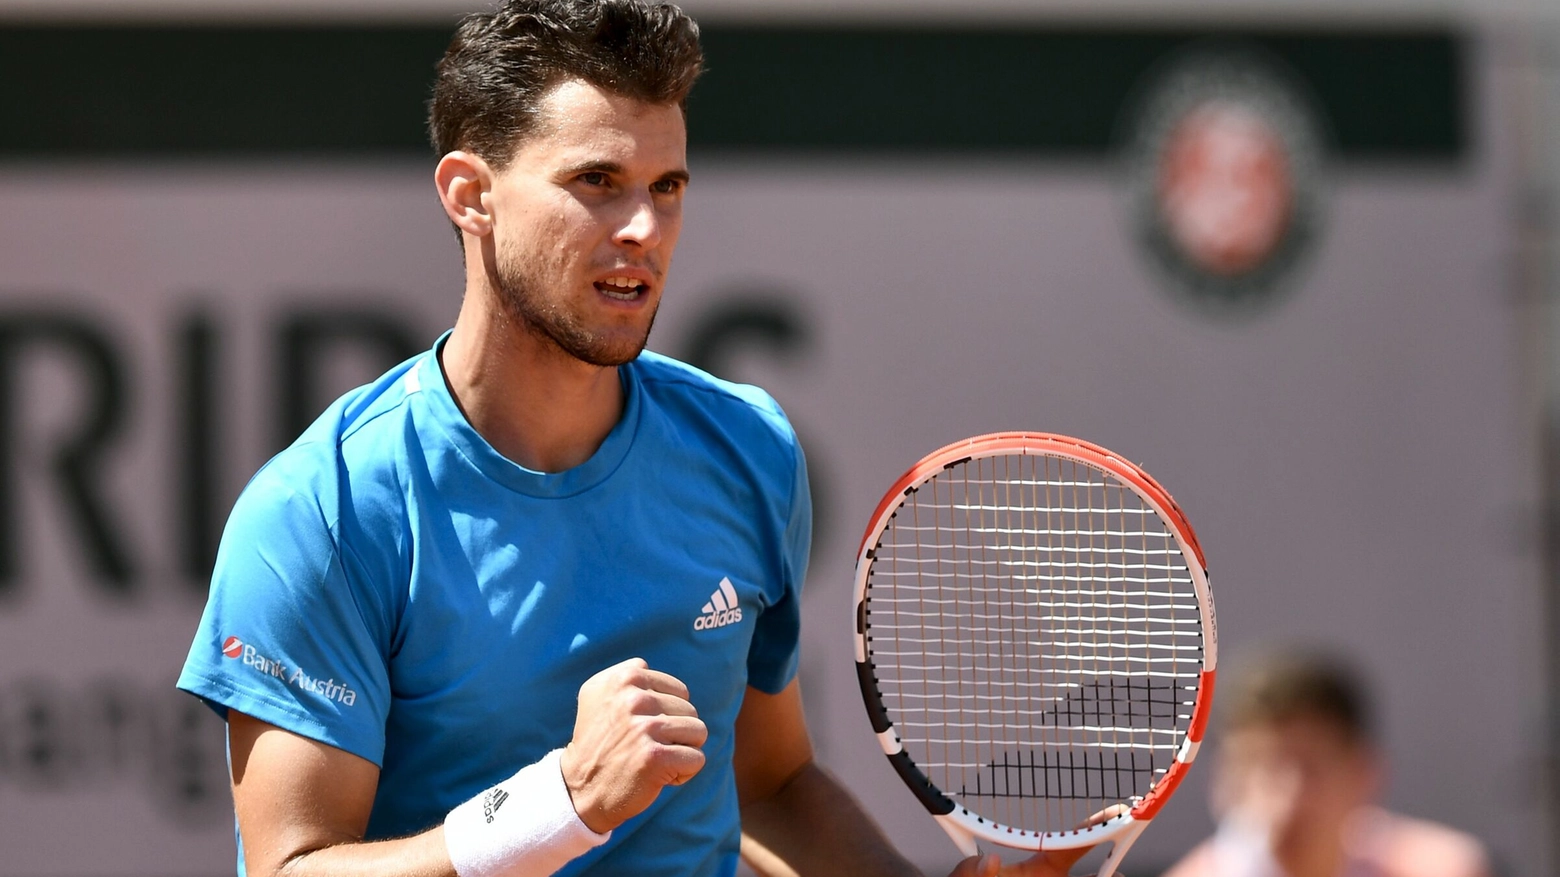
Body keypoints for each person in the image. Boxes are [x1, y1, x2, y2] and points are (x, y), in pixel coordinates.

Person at [176, 2, 1097, 876]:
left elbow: (766, 783)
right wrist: (559, 805)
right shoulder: (321, 512)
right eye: (597, 183)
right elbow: (294, 861)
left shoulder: (749, 450)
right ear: (470, 195)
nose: (645, 229)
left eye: (667, 187)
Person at [1162, 652, 1492, 877]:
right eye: (1259, 767)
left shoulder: (1441, 868)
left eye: (1309, 766)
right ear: (1221, 782)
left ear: (1365, 772)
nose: (1288, 795)